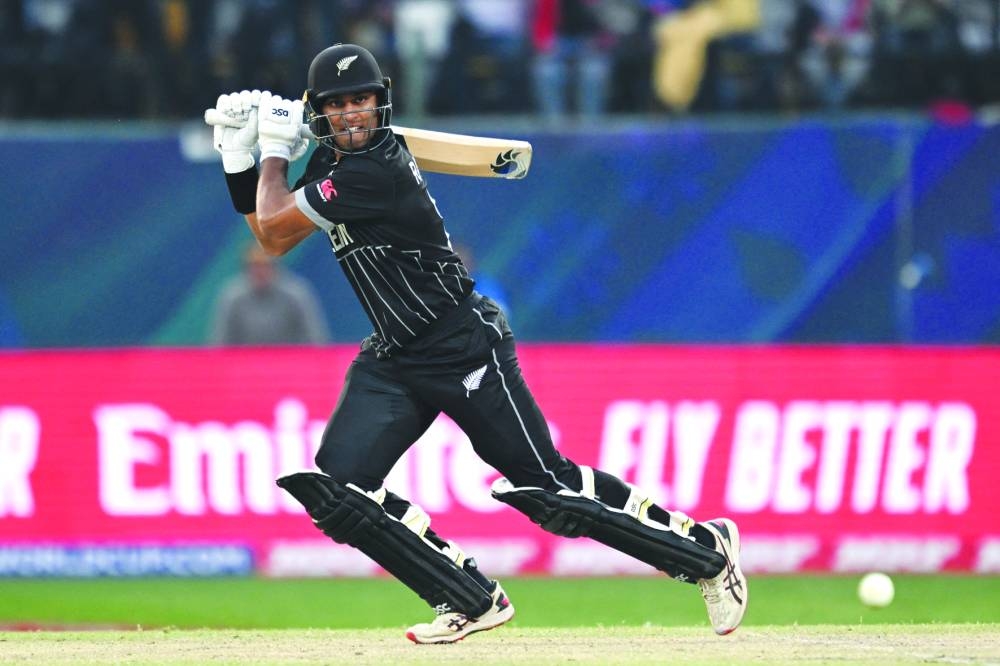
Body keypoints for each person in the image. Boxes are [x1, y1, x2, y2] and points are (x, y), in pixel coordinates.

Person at [205, 43, 747, 644]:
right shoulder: (334, 162)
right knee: (340, 490)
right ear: (322, 113)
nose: (352, 113)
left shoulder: (372, 169)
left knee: (549, 491)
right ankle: (467, 597)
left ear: (380, 103)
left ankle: (706, 549)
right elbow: (270, 230)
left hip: (463, 343)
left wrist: (274, 153)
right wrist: (237, 157)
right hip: (394, 355)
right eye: (338, 104)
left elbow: (276, 231)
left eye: (361, 100)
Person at [209, 242, 330, 346]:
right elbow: (220, 343)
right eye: (255, 266)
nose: (260, 272)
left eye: (265, 266)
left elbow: (315, 340)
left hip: (290, 367)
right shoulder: (232, 297)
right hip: (244, 368)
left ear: (275, 266)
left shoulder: (296, 295)